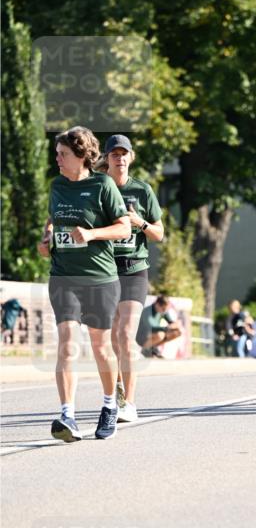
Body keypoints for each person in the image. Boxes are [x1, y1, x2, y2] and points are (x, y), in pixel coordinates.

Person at [37, 126, 130, 441]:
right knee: (66, 345)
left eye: (63, 154)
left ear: (81, 156)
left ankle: (109, 406)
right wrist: (46, 237)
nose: (58, 159)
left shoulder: (102, 185)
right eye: (57, 154)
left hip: (99, 278)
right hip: (63, 275)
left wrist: (91, 234)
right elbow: (53, 220)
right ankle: (67, 416)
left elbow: (123, 229)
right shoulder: (57, 186)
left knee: (101, 347)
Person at [98, 135, 164, 422]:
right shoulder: (98, 188)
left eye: (124, 154)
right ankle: (119, 387)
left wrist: (141, 223)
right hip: (105, 269)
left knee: (125, 335)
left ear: (131, 158)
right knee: (113, 337)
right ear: (107, 158)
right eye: (114, 154)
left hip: (135, 269)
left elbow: (159, 234)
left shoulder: (142, 190)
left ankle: (130, 404)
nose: (119, 158)